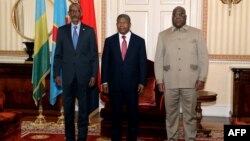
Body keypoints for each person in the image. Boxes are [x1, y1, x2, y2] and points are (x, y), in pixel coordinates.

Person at [154, 6, 209, 141]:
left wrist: (201, 78)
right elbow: (158, 59)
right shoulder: (163, 35)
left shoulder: (196, 33)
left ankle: (190, 138)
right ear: (172, 17)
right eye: (175, 15)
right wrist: (160, 80)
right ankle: (171, 138)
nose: (177, 17)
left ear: (185, 17)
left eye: (180, 15)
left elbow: (203, 57)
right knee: (171, 115)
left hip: (190, 81)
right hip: (169, 82)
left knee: (189, 115)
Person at [53, 3, 98, 141]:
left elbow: (94, 56)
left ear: (81, 13)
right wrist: (56, 74)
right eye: (71, 11)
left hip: (84, 77)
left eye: (77, 11)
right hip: (67, 77)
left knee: (83, 111)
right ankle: (70, 138)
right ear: (69, 13)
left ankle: (82, 138)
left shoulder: (89, 31)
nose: (74, 14)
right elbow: (58, 55)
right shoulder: (62, 31)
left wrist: (93, 75)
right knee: (68, 111)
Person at [101, 14, 147, 141]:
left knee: (133, 117)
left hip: (132, 87)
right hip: (114, 87)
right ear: (116, 24)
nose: (122, 25)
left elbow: (142, 63)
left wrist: (142, 82)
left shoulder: (139, 41)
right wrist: (104, 81)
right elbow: (105, 63)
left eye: (124, 22)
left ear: (129, 24)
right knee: (116, 117)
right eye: (119, 23)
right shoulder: (109, 41)